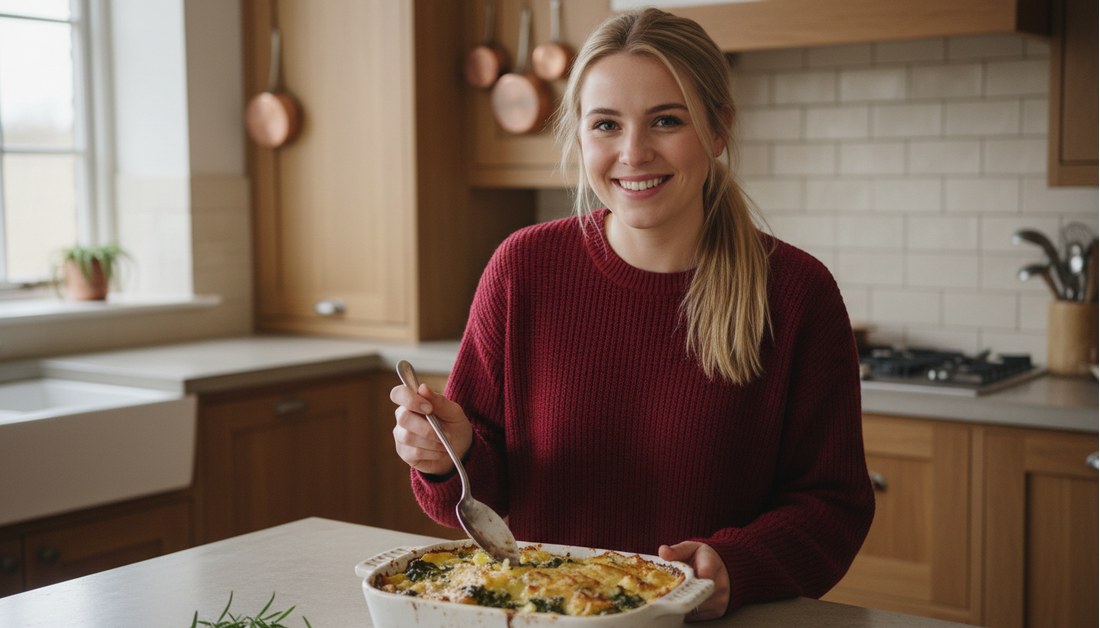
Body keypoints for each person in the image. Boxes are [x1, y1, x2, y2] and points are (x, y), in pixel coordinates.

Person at [390, 7, 874, 620]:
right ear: (580, 136)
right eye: (606, 125)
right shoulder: (523, 268)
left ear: (718, 129)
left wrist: (733, 568)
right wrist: (450, 454)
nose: (634, 152)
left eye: (666, 120)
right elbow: (482, 496)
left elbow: (833, 507)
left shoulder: (798, 293)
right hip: (549, 616)